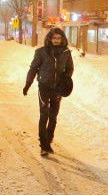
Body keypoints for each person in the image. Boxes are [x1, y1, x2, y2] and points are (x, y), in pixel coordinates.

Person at [23, 26, 73, 156]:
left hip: (58, 89)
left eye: (59, 38)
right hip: (44, 87)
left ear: (62, 39)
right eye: (54, 38)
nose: (56, 40)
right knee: (44, 114)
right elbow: (33, 68)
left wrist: (65, 81)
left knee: (53, 116)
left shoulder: (66, 52)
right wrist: (28, 84)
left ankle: (49, 141)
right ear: (49, 39)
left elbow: (69, 69)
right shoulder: (41, 52)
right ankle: (43, 145)